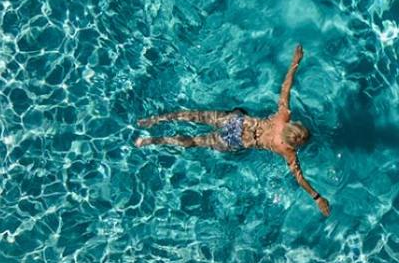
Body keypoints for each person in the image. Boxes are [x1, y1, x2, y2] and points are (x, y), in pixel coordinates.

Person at [135, 44, 331, 216]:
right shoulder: (287, 151)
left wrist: (295, 62)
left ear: (293, 124)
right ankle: (152, 141)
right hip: (235, 141)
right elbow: (299, 178)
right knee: (194, 141)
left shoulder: (283, 116)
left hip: (237, 122)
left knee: (193, 116)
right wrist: (317, 198)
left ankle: (154, 120)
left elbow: (285, 87)